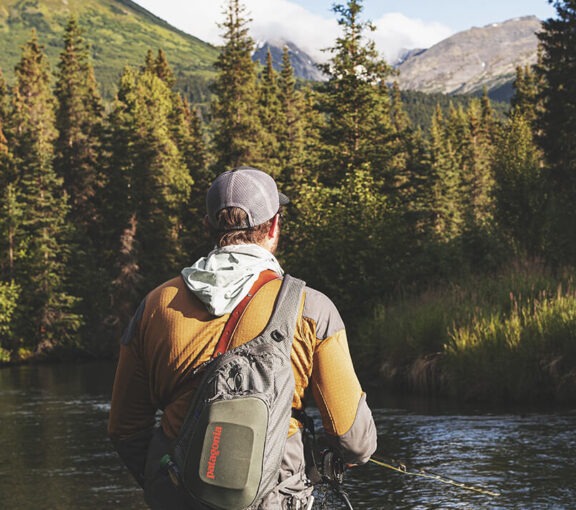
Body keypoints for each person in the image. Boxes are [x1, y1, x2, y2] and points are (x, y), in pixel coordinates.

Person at [108, 166, 377, 509]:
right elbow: (354, 442)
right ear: (275, 226)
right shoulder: (313, 310)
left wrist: (175, 481)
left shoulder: (154, 306)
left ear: (208, 227)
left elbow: (125, 430)